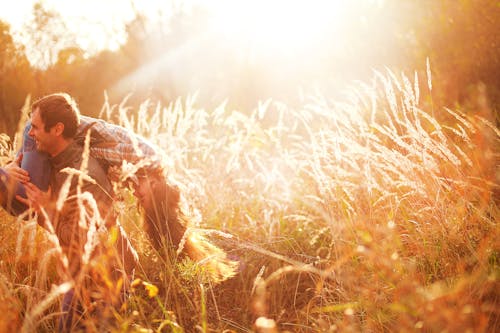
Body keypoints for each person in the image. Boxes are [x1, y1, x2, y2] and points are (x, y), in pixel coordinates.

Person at [1, 92, 237, 283]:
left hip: (60, 130)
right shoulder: (143, 158)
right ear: (154, 185)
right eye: (143, 198)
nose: (137, 196)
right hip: (60, 126)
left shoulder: (140, 173)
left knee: (24, 198)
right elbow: (99, 143)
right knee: (22, 195)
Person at [6, 93, 137, 332]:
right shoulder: (45, 158)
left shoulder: (85, 176)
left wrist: (46, 209)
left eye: (35, 127)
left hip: (108, 273)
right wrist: (8, 170)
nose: (30, 133)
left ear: (57, 129)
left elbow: (79, 240)